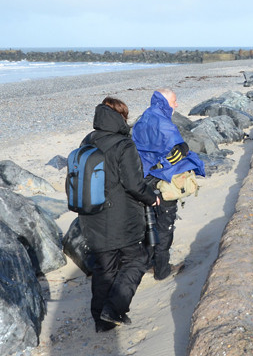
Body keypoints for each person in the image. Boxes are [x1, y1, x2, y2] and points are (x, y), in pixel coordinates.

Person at [78, 97, 160, 332]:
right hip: (118, 219)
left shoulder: (87, 140)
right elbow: (134, 185)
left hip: (90, 216)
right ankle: (114, 308)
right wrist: (151, 197)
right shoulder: (124, 145)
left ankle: (101, 322)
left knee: (104, 269)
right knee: (138, 259)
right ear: (120, 117)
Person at [131, 89, 205, 280]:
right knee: (165, 226)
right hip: (160, 180)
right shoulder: (163, 122)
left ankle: (147, 263)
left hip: (142, 179)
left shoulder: (145, 117)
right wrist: (186, 151)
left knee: (148, 223)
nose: (177, 104)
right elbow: (175, 152)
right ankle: (162, 270)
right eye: (174, 101)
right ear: (164, 101)